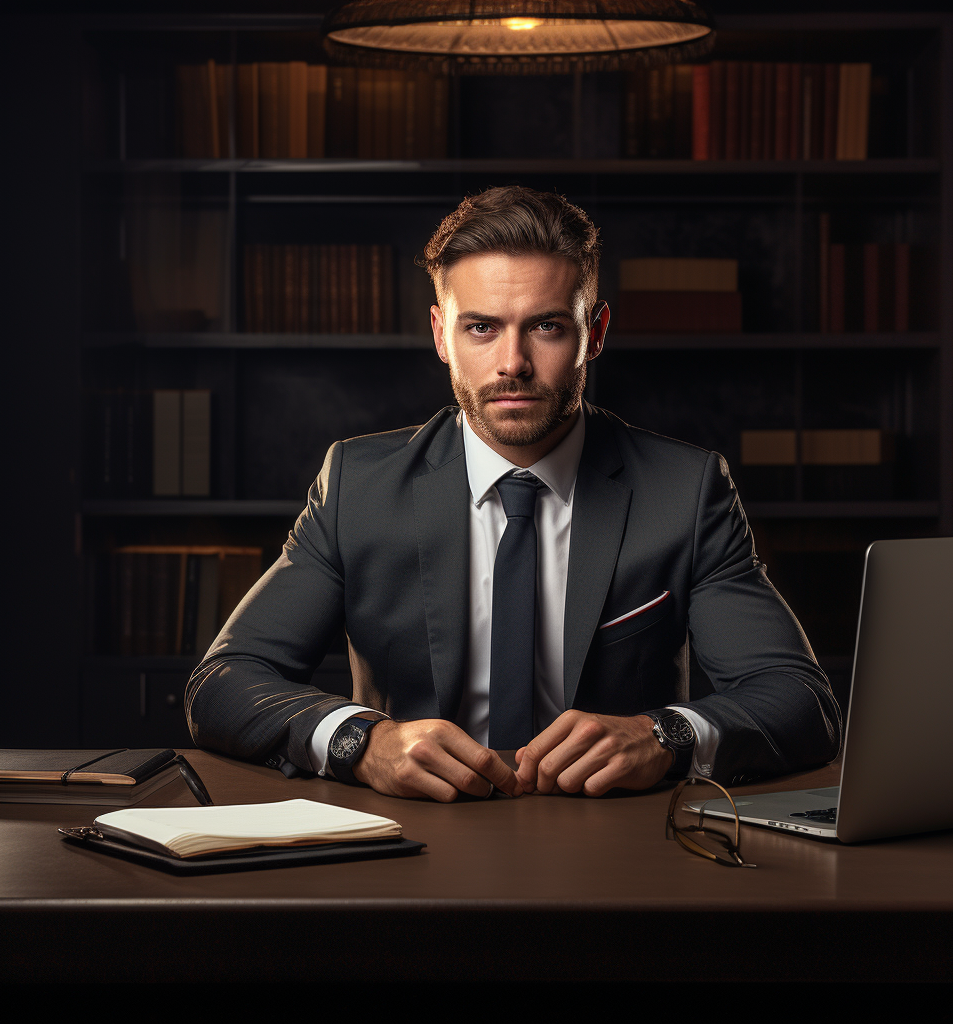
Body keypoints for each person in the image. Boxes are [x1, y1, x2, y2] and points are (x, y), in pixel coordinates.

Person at [185, 186, 842, 802]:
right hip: (409, 848)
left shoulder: (685, 490)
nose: (513, 364)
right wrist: (363, 741)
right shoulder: (359, 485)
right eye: (482, 328)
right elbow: (222, 686)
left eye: (547, 327)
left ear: (597, 332)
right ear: (441, 335)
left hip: (624, 850)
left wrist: (665, 736)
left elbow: (799, 701)